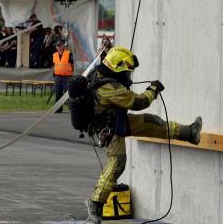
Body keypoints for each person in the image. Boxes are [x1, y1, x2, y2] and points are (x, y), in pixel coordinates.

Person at [83, 46, 202, 223]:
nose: (128, 75)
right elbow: (138, 102)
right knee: (118, 163)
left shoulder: (100, 74)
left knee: (150, 122)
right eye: (127, 72)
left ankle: (189, 133)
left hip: (114, 119)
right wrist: (153, 90)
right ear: (117, 69)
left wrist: (125, 84)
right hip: (110, 128)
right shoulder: (110, 87)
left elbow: (121, 92)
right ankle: (95, 204)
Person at [52, 39, 73, 113]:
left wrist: (70, 73)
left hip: (67, 77)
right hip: (58, 77)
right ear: (56, 47)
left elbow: (72, 64)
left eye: (60, 45)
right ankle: (58, 108)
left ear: (63, 46)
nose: (59, 47)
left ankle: (72, 108)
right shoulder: (54, 55)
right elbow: (55, 65)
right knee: (58, 93)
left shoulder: (68, 54)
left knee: (68, 93)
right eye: (58, 46)